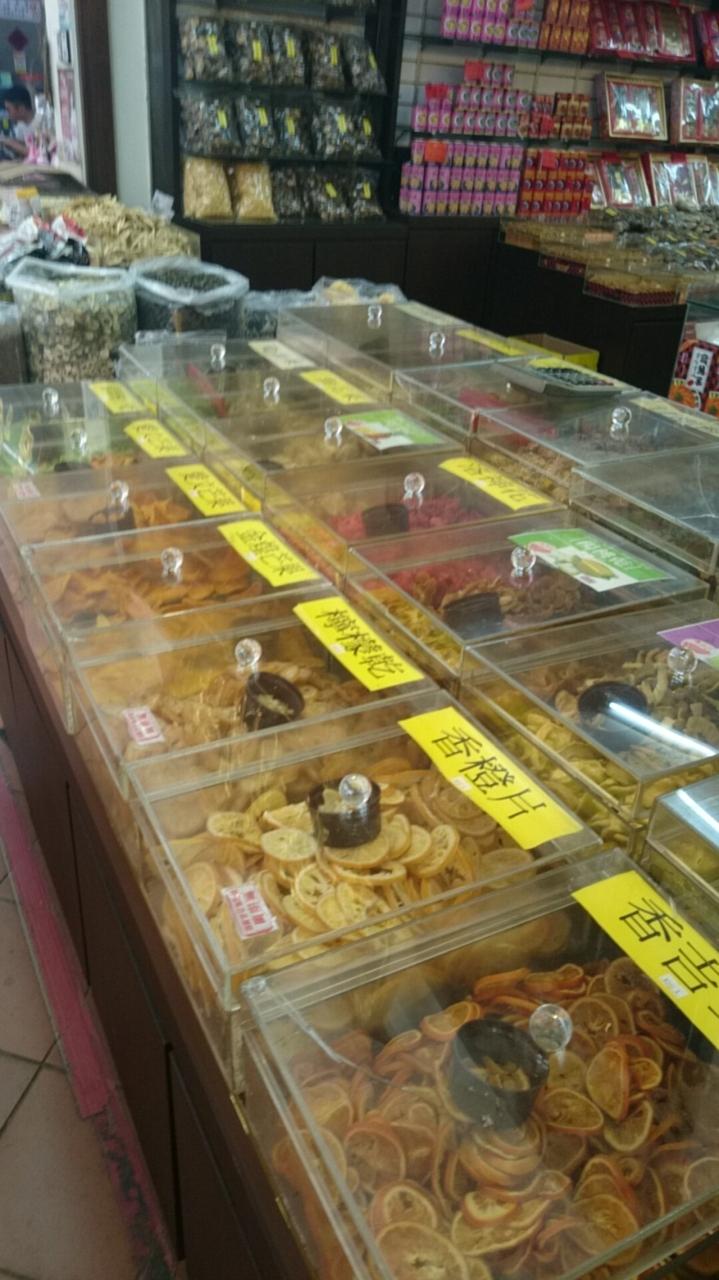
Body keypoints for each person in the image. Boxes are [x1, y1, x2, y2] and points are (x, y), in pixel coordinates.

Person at [1, 85, 36, 159]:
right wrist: (6, 142)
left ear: (21, 109)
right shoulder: (20, 126)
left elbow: (39, 153)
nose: (7, 114)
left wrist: (11, 143)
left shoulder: (42, 124)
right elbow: (25, 148)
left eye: (8, 109)